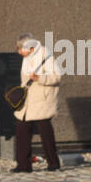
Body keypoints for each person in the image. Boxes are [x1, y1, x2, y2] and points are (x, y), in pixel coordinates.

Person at [13, 33, 62, 173]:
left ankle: (53, 163)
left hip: (42, 100)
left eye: (21, 48)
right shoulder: (26, 59)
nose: (19, 52)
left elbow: (57, 77)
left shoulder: (46, 55)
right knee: (22, 130)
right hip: (28, 101)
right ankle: (23, 165)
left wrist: (39, 78)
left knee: (45, 132)